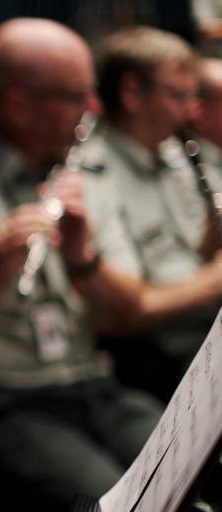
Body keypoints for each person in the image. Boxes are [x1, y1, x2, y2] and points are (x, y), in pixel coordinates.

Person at [0, 18, 161, 510]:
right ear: (19, 105)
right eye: (77, 95)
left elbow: (129, 313)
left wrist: (85, 261)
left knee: (189, 477)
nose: (94, 109)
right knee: (114, 501)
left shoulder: (89, 176)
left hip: (90, 384)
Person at [88, 26, 222, 401]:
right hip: (151, 345)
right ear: (132, 93)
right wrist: (213, 281)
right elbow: (126, 311)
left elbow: (193, 252)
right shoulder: (93, 173)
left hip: (202, 324)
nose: (191, 110)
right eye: (177, 96)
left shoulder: (178, 154)